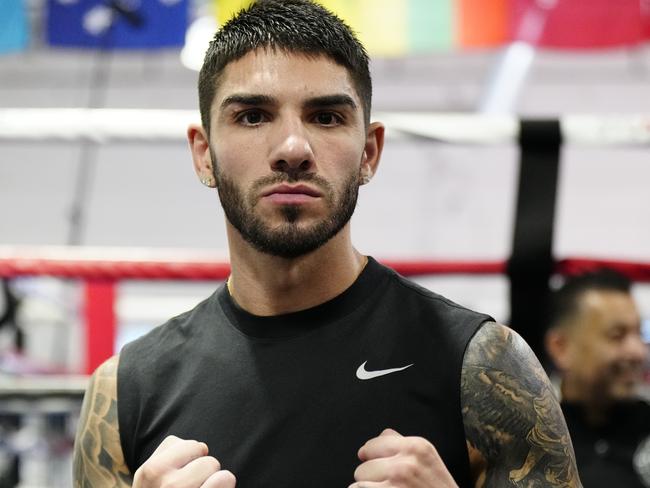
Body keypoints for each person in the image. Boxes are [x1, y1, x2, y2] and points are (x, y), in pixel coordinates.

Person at [73, 1, 581, 486]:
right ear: (204, 154)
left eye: (326, 117)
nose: (293, 148)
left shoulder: (482, 364)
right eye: (252, 116)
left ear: (369, 152)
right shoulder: (126, 390)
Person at [545, 269, 650, 487]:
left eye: (638, 333)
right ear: (561, 347)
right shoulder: (529, 436)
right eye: (617, 335)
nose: (638, 351)